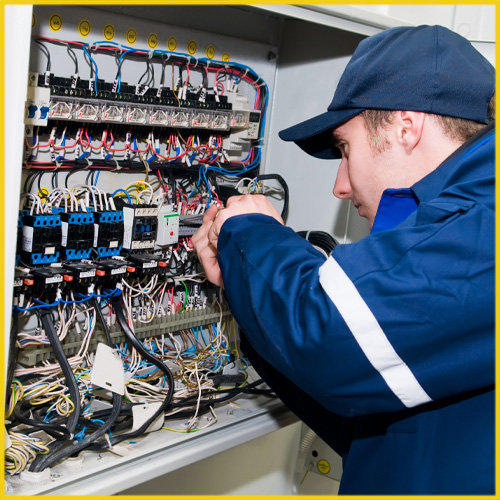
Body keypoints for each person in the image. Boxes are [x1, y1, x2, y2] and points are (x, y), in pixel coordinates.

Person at [192, 25, 495, 495]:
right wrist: (244, 281)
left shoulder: (485, 224)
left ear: (406, 127)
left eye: (344, 148)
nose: (340, 185)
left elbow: (329, 338)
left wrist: (249, 232)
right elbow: (357, 403)